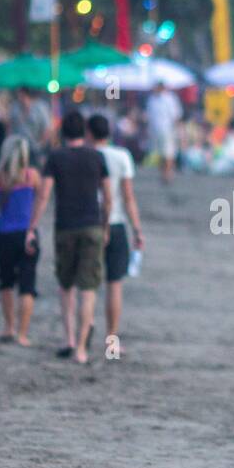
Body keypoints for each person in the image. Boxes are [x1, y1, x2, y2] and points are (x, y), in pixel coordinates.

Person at [27, 110, 111, 364]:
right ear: (84, 132)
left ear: (62, 133)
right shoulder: (97, 157)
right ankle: (82, 350)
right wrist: (105, 226)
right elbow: (108, 197)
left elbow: (43, 194)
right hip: (92, 226)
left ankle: (69, 338)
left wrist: (32, 226)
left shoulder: (55, 157)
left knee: (66, 286)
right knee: (88, 288)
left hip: (65, 226)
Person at [0, 135, 44, 346]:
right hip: (27, 234)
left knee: (5, 282)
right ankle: (22, 333)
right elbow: (42, 200)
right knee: (27, 285)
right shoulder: (32, 176)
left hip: (4, 236)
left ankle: (9, 327)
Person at [87, 113, 144, 354]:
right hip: (118, 223)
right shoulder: (122, 156)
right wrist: (137, 229)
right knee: (114, 284)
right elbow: (128, 197)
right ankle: (111, 340)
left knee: (87, 284)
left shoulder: (85, 156)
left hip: (89, 224)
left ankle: (85, 328)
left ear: (89, 133)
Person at [145, 82, 182, 184]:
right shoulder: (151, 99)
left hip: (168, 130)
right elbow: (149, 116)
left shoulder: (169, 99)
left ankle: (168, 174)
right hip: (155, 131)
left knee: (168, 153)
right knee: (160, 153)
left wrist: (177, 131)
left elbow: (176, 116)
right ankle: (163, 173)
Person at [11, 87, 51, 166]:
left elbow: (47, 129)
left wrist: (41, 145)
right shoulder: (15, 107)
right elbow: (11, 125)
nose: (19, 96)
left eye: (20, 94)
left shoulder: (40, 107)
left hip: (35, 148)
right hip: (18, 147)